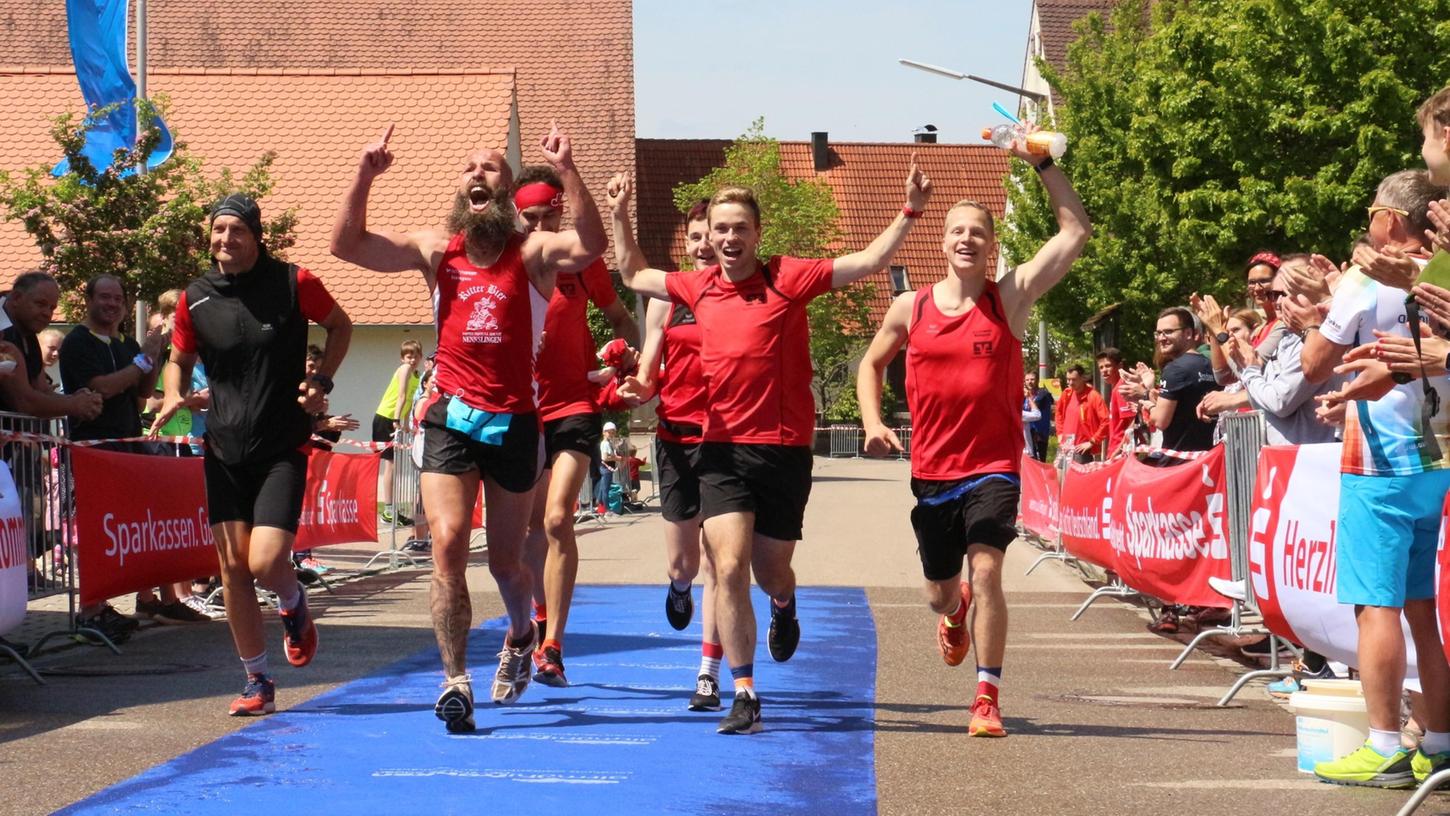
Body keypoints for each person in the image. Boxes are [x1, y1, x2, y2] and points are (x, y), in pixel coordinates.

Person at [611, 155, 932, 735]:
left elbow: (869, 261)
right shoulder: (697, 285)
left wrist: (908, 209)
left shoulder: (788, 277)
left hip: (782, 450)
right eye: (721, 229)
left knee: (771, 571)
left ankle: (784, 606)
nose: (729, 239)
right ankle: (744, 690)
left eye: (740, 229)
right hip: (722, 449)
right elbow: (632, 272)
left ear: (757, 234)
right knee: (728, 566)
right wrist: (618, 214)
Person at [330, 123, 606, 733]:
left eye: (491, 169)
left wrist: (567, 169)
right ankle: (456, 680)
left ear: (505, 191)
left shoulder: (532, 253)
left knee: (507, 563)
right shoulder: (436, 249)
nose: (477, 174)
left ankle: (520, 630)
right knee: (450, 544)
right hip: (449, 418)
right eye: (469, 168)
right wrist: (364, 174)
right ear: (460, 187)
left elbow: (590, 244)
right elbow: (346, 245)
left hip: (513, 422)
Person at [857, 131, 1090, 738]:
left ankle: (986, 697)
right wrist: (874, 421)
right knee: (942, 591)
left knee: (988, 569)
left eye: (978, 232)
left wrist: (1042, 162)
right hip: (933, 472)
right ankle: (953, 609)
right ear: (943, 241)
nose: (967, 238)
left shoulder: (1007, 299)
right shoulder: (911, 307)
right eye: (957, 230)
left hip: (993, 466)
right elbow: (870, 364)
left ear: (990, 246)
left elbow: (1074, 233)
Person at [152, 193, 353, 717]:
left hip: (281, 445)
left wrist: (320, 378)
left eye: (236, 230)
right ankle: (257, 679)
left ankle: (293, 603)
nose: (226, 239)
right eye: (218, 230)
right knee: (233, 570)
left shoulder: (294, 282)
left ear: (256, 235)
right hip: (222, 448)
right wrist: (173, 392)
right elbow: (179, 358)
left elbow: (341, 324)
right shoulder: (194, 296)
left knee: (265, 562)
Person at [1295, 168, 1450, 787]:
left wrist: (1318, 311)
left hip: (1380, 463)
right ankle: (1437, 740)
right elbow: (1402, 362)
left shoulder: (1368, 276)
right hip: (1435, 457)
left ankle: (1384, 741)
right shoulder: (1439, 270)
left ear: (1389, 218)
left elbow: (1311, 364)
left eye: (1371, 212)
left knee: (1375, 606)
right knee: (1420, 610)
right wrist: (1356, 389)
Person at [514, 165, 638, 688]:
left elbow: (621, 321)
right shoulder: (503, 264)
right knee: (524, 529)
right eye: (530, 218)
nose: (541, 227)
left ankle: (553, 645)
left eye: (550, 215)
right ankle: (538, 615)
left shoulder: (581, 264)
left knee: (558, 520)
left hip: (573, 406)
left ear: (562, 212)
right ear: (515, 218)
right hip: (519, 407)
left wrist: (626, 356)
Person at [60, 275, 212, 628]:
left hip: (129, 444)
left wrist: (154, 353)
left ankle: (152, 601)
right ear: (88, 300)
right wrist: (139, 365)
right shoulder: (77, 343)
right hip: (93, 448)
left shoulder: (127, 343)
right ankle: (92, 608)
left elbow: (142, 392)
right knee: (97, 529)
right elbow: (102, 387)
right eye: (104, 297)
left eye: (117, 298)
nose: (111, 304)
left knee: (138, 522)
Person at [623, 201, 726, 706]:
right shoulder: (668, 298)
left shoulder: (741, 297)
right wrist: (634, 387)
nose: (704, 244)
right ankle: (679, 587)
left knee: (722, 562)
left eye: (710, 234)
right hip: (677, 438)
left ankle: (708, 671)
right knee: (683, 563)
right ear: (685, 243)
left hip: (728, 441)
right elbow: (648, 371)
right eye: (695, 236)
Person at [0, 272, 102, 421]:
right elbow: (25, 401)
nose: (47, 313)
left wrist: (74, 399)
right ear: (16, 298)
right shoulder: (4, 332)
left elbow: (42, 390)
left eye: (52, 308)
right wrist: (74, 404)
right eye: (40, 304)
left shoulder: (27, 332)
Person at [1122, 307, 1221, 452]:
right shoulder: (1211, 364)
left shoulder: (1175, 369)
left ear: (1188, 333)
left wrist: (1144, 399)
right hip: (1209, 456)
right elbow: (1184, 410)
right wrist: (1151, 394)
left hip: (1179, 459)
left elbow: (1161, 421)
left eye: (1168, 332)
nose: (1161, 338)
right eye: (1158, 333)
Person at [373, 339, 422, 525]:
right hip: (386, 417)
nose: (412, 360)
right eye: (409, 356)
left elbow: (409, 400)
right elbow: (401, 394)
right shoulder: (405, 370)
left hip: (396, 419)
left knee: (395, 464)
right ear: (402, 358)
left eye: (416, 356)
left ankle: (393, 509)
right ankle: (388, 510)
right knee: (391, 465)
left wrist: (407, 423)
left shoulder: (417, 376)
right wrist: (395, 419)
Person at [1055, 364, 1105, 463]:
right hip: (1065, 445)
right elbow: (1058, 413)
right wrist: (1060, 433)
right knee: (1060, 477)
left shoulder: (1094, 396)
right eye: (1068, 379)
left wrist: (1093, 441)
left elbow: (1106, 421)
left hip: (1081, 449)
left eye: (1074, 379)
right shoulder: (1067, 393)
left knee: (1079, 478)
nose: (1070, 383)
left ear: (1082, 378)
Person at [1095, 348, 1137, 456]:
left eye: (1108, 365)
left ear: (1120, 366)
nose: (1104, 370)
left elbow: (1133, 422)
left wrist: (1118, 451)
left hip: (1121, 453)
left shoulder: (1122, 388)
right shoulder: (1116, 388)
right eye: (1101, 367)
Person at [1024, 373, 1053, 461]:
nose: (1030, 382)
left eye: (1032, 379)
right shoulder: (1024, 396)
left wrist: (1028, 397)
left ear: (1037, 381)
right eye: (1027, 380)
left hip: (1040, 432)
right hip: (1028, 432)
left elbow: (1035, 410)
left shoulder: (1043, 394)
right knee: (1030, 459)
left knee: (1040, 460)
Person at [595, 421, 622, 514]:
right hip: (606, 469)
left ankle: (600, 505)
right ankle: (607, 510)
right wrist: (617, 458)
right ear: (604, 432)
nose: (611, 434)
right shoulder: (605, 443)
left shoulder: (608, 443)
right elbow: (605, 457)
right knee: (606, 489)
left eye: (613, 432)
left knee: (603, 489)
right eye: (609, 432)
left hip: (606, 468)